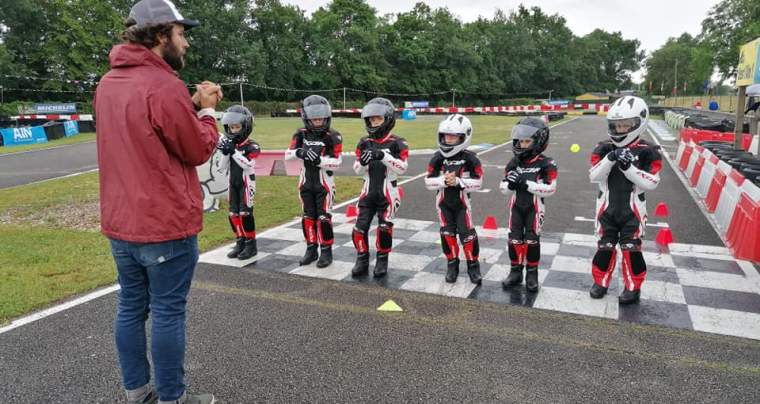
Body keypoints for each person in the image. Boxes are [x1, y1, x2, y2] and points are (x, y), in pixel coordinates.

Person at [94, 0, 220, 402]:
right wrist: (209, 113)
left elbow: (148, 134)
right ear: (161, 34)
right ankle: (171, 398)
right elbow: (197, 149)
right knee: (167, 312)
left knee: (131, 307)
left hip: (121, 222)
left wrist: (191, 106)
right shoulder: (162, 84)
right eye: (182, 34)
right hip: (163, 223)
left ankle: (137, 392)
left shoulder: (107, 83)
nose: (186, 44)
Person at [588, 96, 662, 305]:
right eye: (616, 125)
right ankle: (600, 282)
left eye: (625, 125)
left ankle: (633, 287)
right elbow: (593, 176)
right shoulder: (603, 148)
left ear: (639, 123)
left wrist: (629, 168)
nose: (620, 130)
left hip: (634, 212)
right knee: (605, 248)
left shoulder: (649, 151)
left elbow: (651, 183)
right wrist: (610, 160)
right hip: (606, 209)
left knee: (632, 250)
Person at [351, 97, 408, 277]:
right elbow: (357, 171)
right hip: (367, 192)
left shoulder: (398, 142)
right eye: (371, 119)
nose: (374, 122)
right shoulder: (363, 142)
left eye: (378, 119)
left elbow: (402, 168)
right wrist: (362, 162)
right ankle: (362, 259)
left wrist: (383, 156)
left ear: (388, 119)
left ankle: (382, 261)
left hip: (388, 193)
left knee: (384, 229)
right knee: (359, 228)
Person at [499, 117, 557, 292]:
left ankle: (532, 275)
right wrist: (510, 184)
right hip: (516, 208)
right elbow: (503, 188)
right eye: (520, 141)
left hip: (535, 208)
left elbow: (550, 189)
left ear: (539, 142)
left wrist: (526, 184)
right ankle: (515, 272)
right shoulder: (513, 162)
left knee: (532, 241)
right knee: (514, 239)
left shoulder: (546, 163)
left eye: (527, 141)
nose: (523, 145)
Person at [284, 95, 343, 268]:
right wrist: (300, 153)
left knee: (324, 217)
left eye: (321, 116)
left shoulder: (333, 136)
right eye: (313, 117)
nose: (317, 120)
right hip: (305, 183)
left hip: (324, 184)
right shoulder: (300, 134)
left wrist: (320, 161)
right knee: (308, 217)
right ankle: (311, 249)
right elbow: (287, 156)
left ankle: (326, 251)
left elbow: (337, 163)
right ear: (306, 116)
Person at [424, 114, 483, 284]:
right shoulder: (437, 157)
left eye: (453, 136)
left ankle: (473, 265)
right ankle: (452, 264)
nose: (448, 140)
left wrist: (459, 182)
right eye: (446, 136)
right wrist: (442, 180)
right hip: (443, 205)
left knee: (467, 234)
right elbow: (428, 181)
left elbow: (478, 182)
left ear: (464, 137)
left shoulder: (471, 158)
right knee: (447, 233)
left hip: (463, 205)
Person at [218, 105, 260, 260]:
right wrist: (224, 153)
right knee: (233, 214)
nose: (233, 130)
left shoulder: (252, 145)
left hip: (246, 184)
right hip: (232, 184)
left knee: (245, 214)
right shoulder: (230, 144)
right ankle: (240, 241)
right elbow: (221, 168)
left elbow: (248, 165)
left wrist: (233, 151)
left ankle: (251, 245)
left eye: (236, 127)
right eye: (230, 127)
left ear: (245, 126)